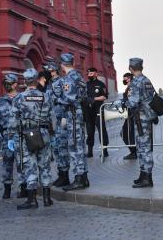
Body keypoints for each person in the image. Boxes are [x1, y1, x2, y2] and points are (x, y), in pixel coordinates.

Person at [8, 69, 54, 210]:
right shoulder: (46, 96)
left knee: (30, 166)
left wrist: (11, 136)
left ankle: (32, 200)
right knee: (45, 165)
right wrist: (53, 135)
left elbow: (13, 121)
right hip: (44, 134)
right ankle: (47, 198)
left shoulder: (19, 98)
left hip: (27, 136)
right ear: (36, 79)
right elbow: (52, 118)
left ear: (25, 81)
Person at [56, 53, 89, 191]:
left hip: (73, 115)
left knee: (75, 147)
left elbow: (68, 98)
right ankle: (84, 177)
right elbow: (84, 95)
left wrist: (57, 100)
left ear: (62, 65)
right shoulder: (79, 77)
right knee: (80, 145)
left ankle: (78, 178)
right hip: (78, 113)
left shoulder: (69, 78)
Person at [124, 58, 157, 188]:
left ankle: (147, 178)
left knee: (144, 148)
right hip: (146, 117)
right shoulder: (146, 80)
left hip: (141, 118)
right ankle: (143, 175)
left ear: (131, 68)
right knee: (142, 147)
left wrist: (124, 103)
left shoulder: (136, 82)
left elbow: (132, 102)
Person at [0, 74, 26, 199]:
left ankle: (23, 188)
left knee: (22, 163)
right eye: (5, 83)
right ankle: (7, 188)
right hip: (6, 137)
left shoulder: (22, 99)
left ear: (15, 84)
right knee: (7, 164)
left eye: (9, 82)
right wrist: (0, 135)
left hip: (20, 136)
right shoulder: (0, 101)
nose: (6, 85)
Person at [85, 67, 109, 158]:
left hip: (98, 111)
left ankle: (105, 150)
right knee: (90, 132)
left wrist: (94, 99)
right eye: (88, 73)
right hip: (88, 112)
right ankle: (90, 151)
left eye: (91, 73)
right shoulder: (86, 84)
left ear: (96, 74)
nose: (89, 75)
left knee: (102, 131)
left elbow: (104, 96)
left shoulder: (101, 84)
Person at [122, 72, 137, 160]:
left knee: (126, 133)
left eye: (125, 78)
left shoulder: (131, 87)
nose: (124, 80)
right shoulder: (129, 87)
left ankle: (133, 152)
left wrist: (124, 103)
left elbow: (131, 101)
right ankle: (133, 151)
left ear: (129, 78)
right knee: (126, 133)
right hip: (129, 114)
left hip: (131, 114)